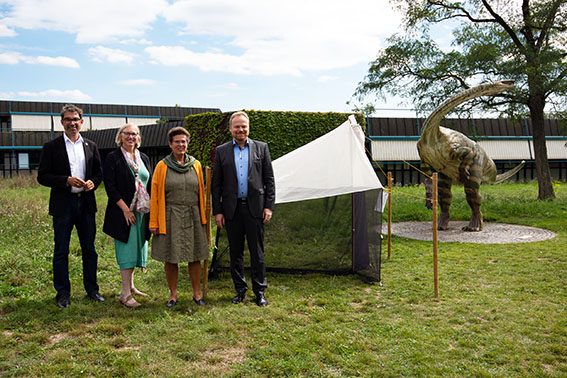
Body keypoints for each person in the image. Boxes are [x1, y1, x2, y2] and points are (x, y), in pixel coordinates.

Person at [37, 104, 105, 308]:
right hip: (63, 206)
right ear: (62, 122)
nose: (72, 123)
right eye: (68, 119)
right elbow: (42, 176)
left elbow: (98, 172)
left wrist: (93, 182)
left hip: (85, 204)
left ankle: (92, 290)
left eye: (76, 119)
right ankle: (63, 293)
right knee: (61, 250)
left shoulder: (91, 146)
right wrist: (65, 180)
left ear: (82, 122)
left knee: (90, 249)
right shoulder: (51, 147)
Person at [212, 111, 275, 306]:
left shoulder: (261, 148)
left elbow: (269, 180)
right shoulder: (221, 151)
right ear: (231, 129)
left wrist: (269, 207)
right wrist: (218, 211)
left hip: (255, 209)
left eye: (244, 126)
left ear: (248, 128)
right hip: (231, 210)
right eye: (237, 126)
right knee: (235, 254)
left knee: (257, 253)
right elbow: (216, 185)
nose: (241, 129)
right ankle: (240, 290)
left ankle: (259, 291)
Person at [149, 127, 209, 308]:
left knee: (195, 255)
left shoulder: (196, 165)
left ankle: (197, 293)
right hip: (169, 215)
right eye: (177, 142)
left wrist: (204, 217)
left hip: (193, 215)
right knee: (171, 256)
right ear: (170, 144)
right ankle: (173, 294)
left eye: (184, 141)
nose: (181, 145)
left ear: (187, 144)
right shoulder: (162, 166)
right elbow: (155, 195)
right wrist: (154, 221)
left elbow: (201, 192)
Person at [102, 124, 153, 308]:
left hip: (141, 211)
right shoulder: (113, 157)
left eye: (134, 134)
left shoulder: (143, 157)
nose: (131, 137)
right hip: (123, 212)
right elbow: (110, 186)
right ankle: (124, 294)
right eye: (127, 133)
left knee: (137, 248)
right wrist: (125, 210)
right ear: (120, 136)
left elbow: (149, 183)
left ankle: (131, 286)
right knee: (127, 250)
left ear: (138, 137)